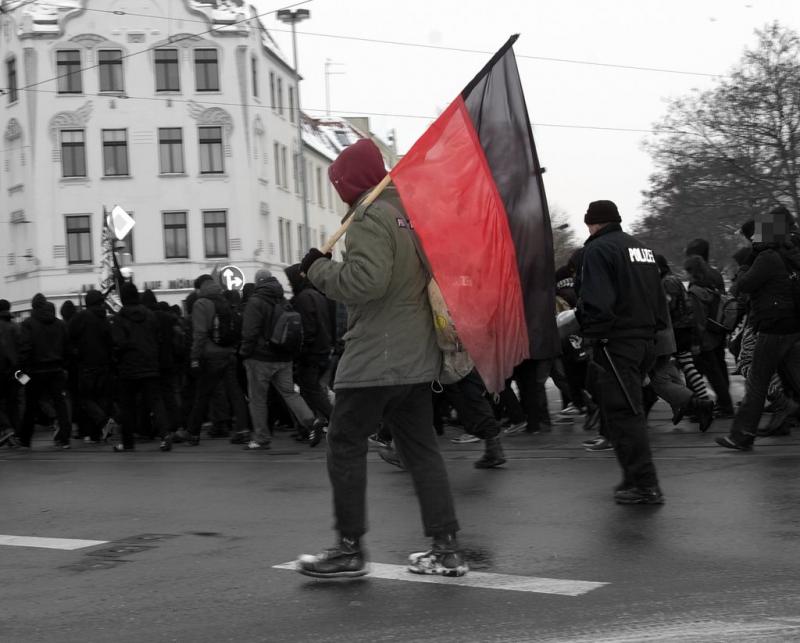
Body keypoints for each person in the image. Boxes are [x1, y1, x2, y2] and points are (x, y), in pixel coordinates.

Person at [295, 138, 467, 578]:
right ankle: (445, 548)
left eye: (337, 182)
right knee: (421, 451)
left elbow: (366, 283)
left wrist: (316, 268)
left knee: (344, 442)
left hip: (377, 357)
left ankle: (349, 549)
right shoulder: (409, 216)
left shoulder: (370, 217)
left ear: (349, 183)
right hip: (415, 359)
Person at [576, 200, 668, 505]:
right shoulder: (641, 249)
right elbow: (658, 297)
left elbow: (597, 302)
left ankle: (645, 484)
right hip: (646, 340)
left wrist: (591, 335)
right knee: (630, 410)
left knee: (624, 414)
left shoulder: (598, 250)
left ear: (593, 223)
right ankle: (634, 479)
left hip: (617, 342)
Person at [716, 206, 800, 450]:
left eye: (759, 231)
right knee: (795, 377)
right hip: (793, 323)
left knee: (758, 379)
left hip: (773, 325)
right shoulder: (790, 252)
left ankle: (742, 435)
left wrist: (744, 266)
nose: (753, 236)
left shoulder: (768, 257)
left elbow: (743, 285)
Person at [239, 268, 322, 450]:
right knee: (290, 393)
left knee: (258, 399)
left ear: (259, 281)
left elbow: (249, 332)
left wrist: (244, 353)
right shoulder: (283, 300)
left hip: (260, 358)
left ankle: (261, 438)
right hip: (284, 357)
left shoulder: (255, 301)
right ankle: (311, 421)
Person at [185, 274, 250, 447]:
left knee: (203, 395)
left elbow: (199, 334)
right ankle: (243, 430)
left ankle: (193, 434)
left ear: (199, 288)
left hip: (211, 356)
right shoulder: (224, 301)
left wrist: (194, 357)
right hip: (229, 354)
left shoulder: (201, 303)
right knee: (236, 394)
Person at [109, 283, 171, 452]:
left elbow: (117, 344)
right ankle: (165, 436)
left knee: (128, 406)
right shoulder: (150, 315)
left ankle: (128, 442)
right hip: (150, 364)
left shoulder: (120, 317)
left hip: (128, 368)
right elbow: (158, 338)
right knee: (156, 402)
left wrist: (118, 359)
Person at [18, 293, 72, 449]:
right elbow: (67, 348)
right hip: (56, 369)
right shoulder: (60, 324)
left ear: (33, 306)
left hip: (35, 372)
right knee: (60, 404)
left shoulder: (28, 324)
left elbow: (25, 349)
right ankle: (64, 438)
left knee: (31, 406)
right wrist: (64, 365)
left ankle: (25, 440)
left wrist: (24, 371)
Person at [284, 263, 334, 425]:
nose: (290, 285)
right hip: (322, 350)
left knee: (311, 391)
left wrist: (301, 351)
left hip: (311, 353)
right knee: (314, 390)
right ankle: (319, 423)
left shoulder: (303, 298)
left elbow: (307, 329)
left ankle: (331, 422)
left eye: (290, 281)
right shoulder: (317, 295)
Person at [67, 290, 114, 443]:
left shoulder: (82, 317)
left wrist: (75, 352)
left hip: (87, 364)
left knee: (85, 399)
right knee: (99, 399)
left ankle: (103, 422)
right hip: (104, 365)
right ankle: (97, 434)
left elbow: (70, 335)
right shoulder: (105, 319)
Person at [0, 299, 22, 445]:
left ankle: (7, 429)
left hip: (1, 370)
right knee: (14, 402)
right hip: (17, 372)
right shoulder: (16, 326)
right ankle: (15, 432)